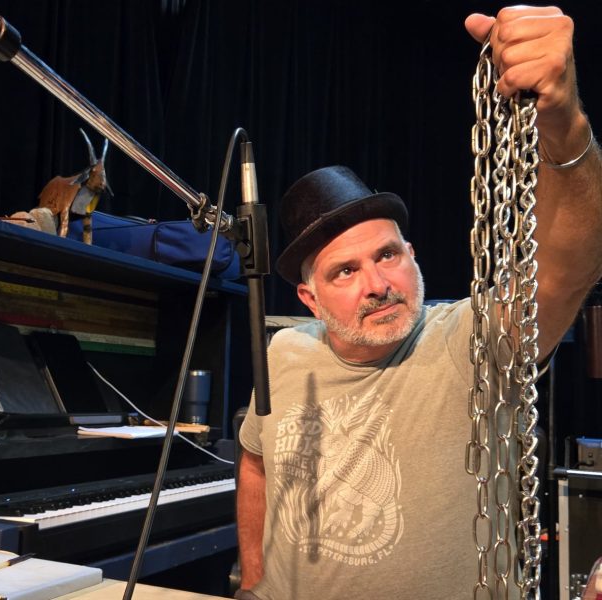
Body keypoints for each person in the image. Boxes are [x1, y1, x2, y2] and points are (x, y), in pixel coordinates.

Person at [236, 6, 602, 599]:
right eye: (346, 270)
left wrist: (564, 126)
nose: (377, 283)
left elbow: (571, 262)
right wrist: (253, 577)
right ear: (309, 296)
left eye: (387, 255)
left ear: (413, 253)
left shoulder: (471, 341)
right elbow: (255, 461)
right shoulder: (283, 352)